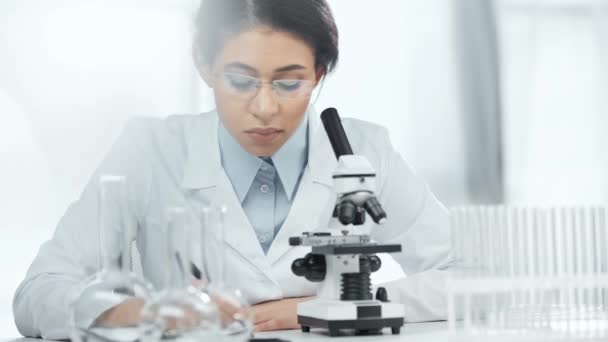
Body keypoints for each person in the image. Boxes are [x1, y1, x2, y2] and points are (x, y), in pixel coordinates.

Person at [13, 0, 453, 339]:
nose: (264, 108)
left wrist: (337, 306)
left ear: (319, 73)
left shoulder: (364, 150)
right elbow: (38, 293)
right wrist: (143, 313)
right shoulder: (149, 150)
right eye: (241, 82)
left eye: (289, 82)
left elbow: (472, 274)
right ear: (205, 66)